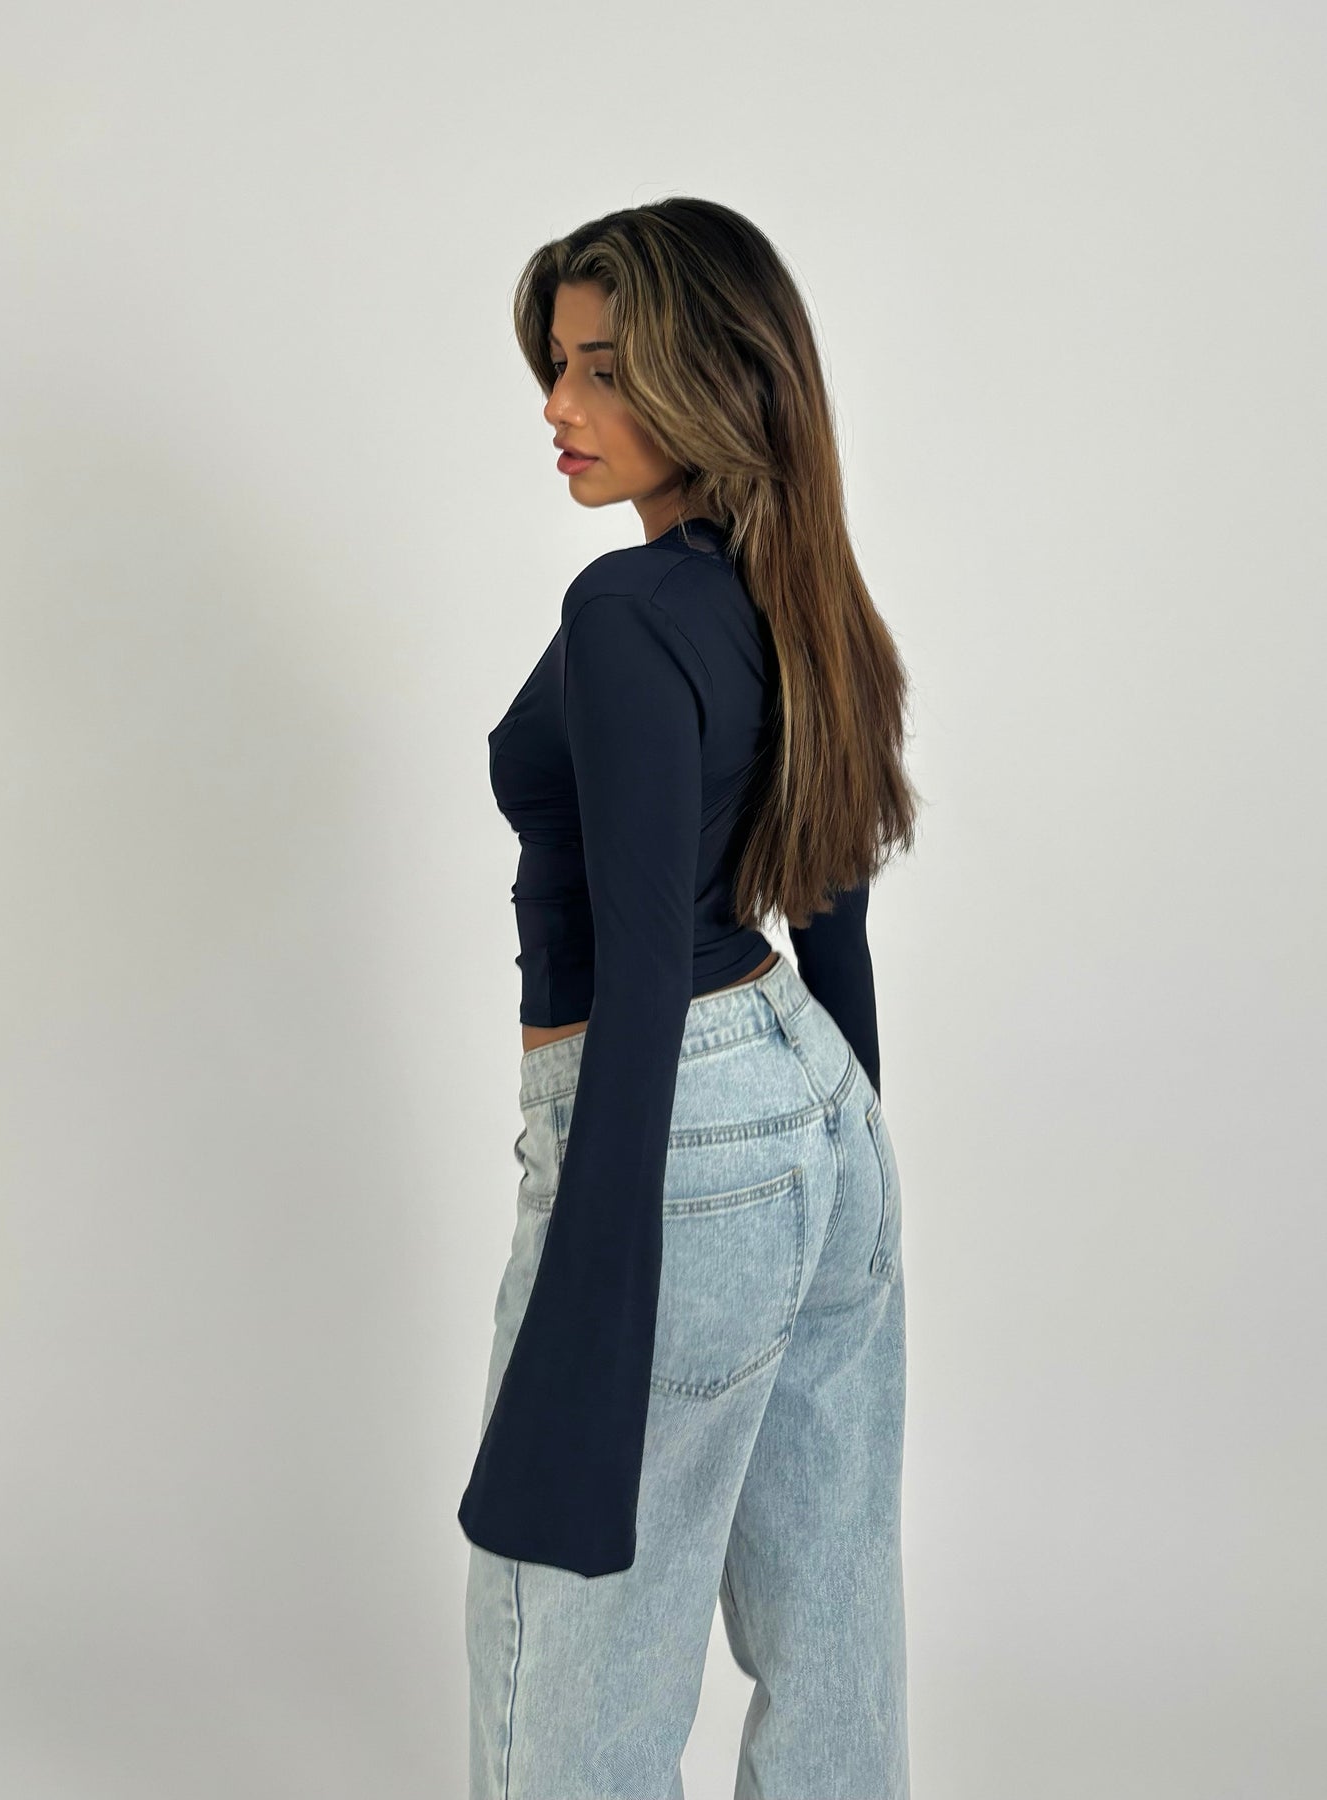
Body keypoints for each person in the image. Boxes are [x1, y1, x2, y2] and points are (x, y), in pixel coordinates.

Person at [458, 196, 922, 1800]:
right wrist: (848, 1174)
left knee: (574, 1679)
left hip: (665, 1139)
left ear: (712, 379)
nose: (557, 405)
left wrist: (578, 1364)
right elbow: (831, 899)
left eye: (602, 369)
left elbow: (647, 970)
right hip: (811, 1112)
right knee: (833, 1639)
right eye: (555, 364)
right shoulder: (797, 589)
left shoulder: (627, 610)